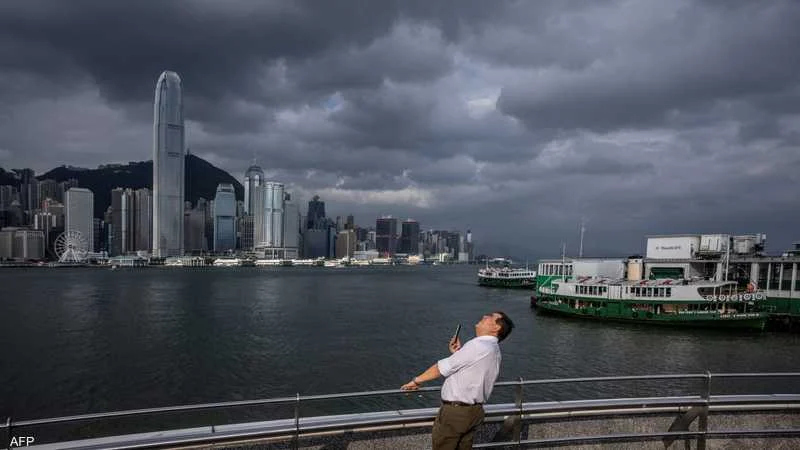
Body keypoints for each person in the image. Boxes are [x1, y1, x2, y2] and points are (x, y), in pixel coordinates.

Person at [401, 311, 514, 450]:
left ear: (496, 328)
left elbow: (441, 368)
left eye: (490, 316)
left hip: (456, 413)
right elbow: (473, 369)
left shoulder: (478, 345)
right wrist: (458, 353)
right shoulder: (493, 349)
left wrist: (416, 381)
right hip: (474, 412)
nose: (485, 316)